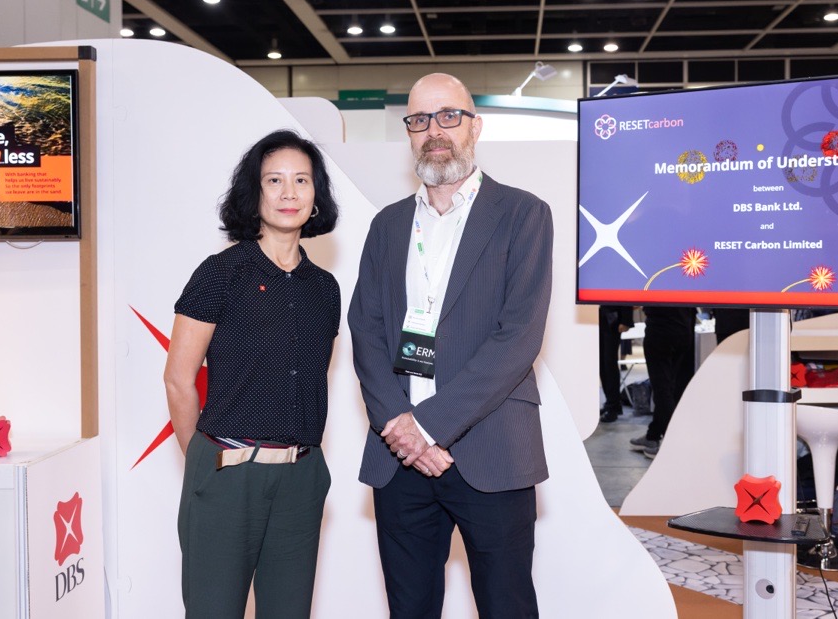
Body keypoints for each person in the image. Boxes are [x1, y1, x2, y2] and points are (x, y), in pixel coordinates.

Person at [348, 73, 552, 618]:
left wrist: (426, 427)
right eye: (419, 119)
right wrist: (401, 428)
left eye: (448, 116)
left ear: (475, 126)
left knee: (507, 606)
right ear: (409, 133)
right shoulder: (387, 225)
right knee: (409, 608)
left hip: (491, 450)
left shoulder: (523, 214)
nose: (434, 131)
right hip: (399, 458)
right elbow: (365, 329)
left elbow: (519, 336)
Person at [163, 130, 340, 619]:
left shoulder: (325, 289)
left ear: (316, 195)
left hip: (302, 478)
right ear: (254, 192)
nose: (288, 193)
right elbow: (178, 379)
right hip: (227, 472)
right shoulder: (220, 273)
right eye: (274, 180)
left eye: (301, 180)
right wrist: (206, 461)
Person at [629, 306, 696, 459]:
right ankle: (653, 435)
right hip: (683, 331)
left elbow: (636, 302)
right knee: (668, 387)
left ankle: (673, 443)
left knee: (662, 390)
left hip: (660, 330)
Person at [599, 305, 636, 422]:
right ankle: (611, 403)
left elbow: (626, 296)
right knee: (603, 363)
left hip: (612, 319)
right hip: (601, 318)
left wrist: (626, 320)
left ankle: (613, 406)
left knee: (609, 363)